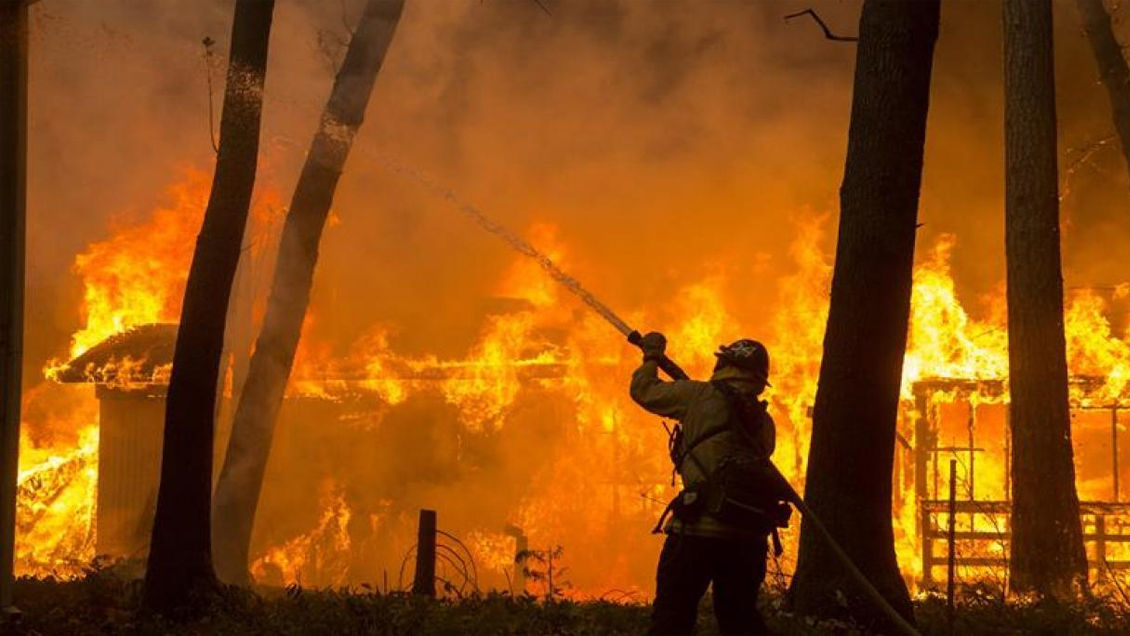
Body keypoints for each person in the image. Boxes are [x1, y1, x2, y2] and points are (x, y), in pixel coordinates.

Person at [630, 332, 784, 636]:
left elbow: (643, 390)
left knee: (672, 619)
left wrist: (651, 357)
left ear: (723, 365)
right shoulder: (764, 423)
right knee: (740, 619)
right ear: (757, 379)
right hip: (748, 535)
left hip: (697, 532)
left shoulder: (697, 396)